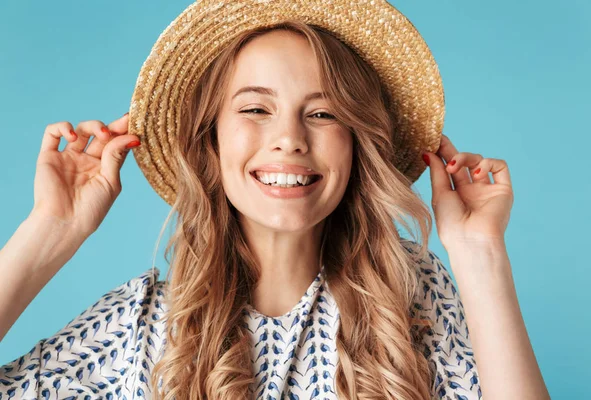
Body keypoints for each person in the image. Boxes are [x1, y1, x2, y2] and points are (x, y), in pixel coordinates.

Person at [0, 2, 550, 399]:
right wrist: (51, 228)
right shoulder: (141, 327)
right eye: (255, 109)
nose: (289, 138)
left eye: (323, 112)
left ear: (357, 144)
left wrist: (479, 251)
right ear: (210, 143)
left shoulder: (410, 297)